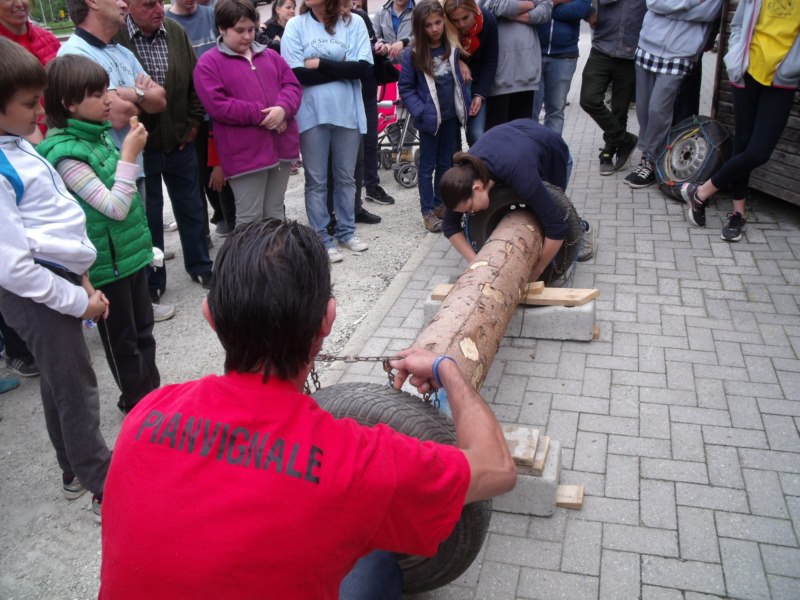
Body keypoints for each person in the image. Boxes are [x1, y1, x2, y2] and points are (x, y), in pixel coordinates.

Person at [98, 218, 517, 598]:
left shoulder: (145, 414)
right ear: (327, 320)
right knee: (377, 559)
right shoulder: (356, 463)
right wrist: (450, 370)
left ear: (210, 316)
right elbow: (497, 468)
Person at [0, 37, 112, 520]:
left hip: (62, 281)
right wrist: (76, 302)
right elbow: (16, 266)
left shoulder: (20, 146)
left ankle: (72, 468)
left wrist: (82, 282)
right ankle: (101, 483)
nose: (37, 111)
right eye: (28, 103)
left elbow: (55, 226)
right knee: (76, 387)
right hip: (39, 293)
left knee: (58, 379)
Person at [39, 54, 163, 416]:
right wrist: (129, 154)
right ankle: (140, 406)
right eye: (97, 93)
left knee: (144, 331)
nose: (108, 99)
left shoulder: (96, 135)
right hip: (107, 267)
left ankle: (151, 398)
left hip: (130, 255)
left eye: (106, 89)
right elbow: (115, 207)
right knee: (123, 342)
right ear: (69, 103)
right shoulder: (66, 154)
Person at [116, 0, 215, 297]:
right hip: (141, 144)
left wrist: (194, 123)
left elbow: (194, 83)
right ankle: (154, 280)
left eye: (160, 2)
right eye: (148, 4)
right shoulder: (118, 38)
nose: (158, 8)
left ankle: (201, 266)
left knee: (191, 206)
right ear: (130, 6)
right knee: (150, 213)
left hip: (180, 139)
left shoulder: (173, 31)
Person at [681, 0, 799, 241]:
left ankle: (700, 192)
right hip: (746, 73)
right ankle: (738, 213)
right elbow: (737, 26)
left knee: (759, 152)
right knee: (742, 144)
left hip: (782, 80)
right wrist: (734, 57)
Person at [440, 119, 595, 279]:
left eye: (469, 209)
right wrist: (476, 263)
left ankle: (584, 228)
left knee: (553, 212)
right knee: (537, 204)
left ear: (477, 188)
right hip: (514, 140)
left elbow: (557, 229)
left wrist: (538, 270)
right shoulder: (460, 181)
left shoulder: (521, 176)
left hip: (551, 152)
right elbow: (450, 226)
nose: (471, 213)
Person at [195, 0, 302, 226]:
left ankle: (274, 261)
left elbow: (292, 86)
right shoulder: (208, 63)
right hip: (244, 153)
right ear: (222, 29)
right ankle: (247, 262)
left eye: (251, 29)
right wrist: (266, 116)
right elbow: (218, 105)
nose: (247, 36)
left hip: (281, 146)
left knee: (274, 213)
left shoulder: (270, 56)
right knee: (249, 218)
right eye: (239, 30)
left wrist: (282, 109)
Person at [281, 0, 373, 263]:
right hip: (311, 115)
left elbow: (364, 69)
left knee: (346, 177)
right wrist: (343, 68)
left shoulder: (353, 22)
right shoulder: (296, 26)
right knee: (317, 180)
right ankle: (321, 236)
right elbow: (297, 74)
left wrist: (319, 62)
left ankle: (346, 231)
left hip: (348, 113)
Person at [623, 0, 722, 189]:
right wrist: (690, 4)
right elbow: (653, 3)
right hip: (647, 45)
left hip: (681, 52)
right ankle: (650, 152)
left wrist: (669, 8)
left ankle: (650, 160)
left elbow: (709, 13)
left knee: (658, 110)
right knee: (643, 108)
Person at [166, 0, 238, 237]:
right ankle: (201, 232)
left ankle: (229, 220)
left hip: (220, 109)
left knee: (223, 173)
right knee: (195, 178)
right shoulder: (168, 24)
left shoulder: (212, 15)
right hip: (191, 116)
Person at [399, 0, 469, 233]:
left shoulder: (450, 47)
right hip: (430, 122)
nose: (434, 29)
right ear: (421, 27)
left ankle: (440, 204)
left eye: (438, 23)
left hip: (450, 118)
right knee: (427, 166)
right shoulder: (414, 53)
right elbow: (406, 87)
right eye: (428, 25)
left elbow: (457, 82)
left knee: (445, 163)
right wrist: (420, 111)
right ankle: (427, 210)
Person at [578, 0, 645, 176]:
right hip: (602, 49)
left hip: (631, 54)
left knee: (620, 109)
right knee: (588, 99)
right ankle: (626, 140)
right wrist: (588, 11)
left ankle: (609, 151)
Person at [478, 0, 552, 131]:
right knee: (498, 135)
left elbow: (546, 9)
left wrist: (515, 15)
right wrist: (529, 4)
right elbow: (490, 7)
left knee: (522, 135)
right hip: (499, 75)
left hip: (526, 72)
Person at [532, 0, 591, 135]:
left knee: (556, 111)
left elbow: (579, 10)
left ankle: (552, 153)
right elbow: (530, 6)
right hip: (533, 52)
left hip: (564, 55)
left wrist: (545, 7)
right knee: (530, 112)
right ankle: (532, 153)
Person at [443, 0, 498, 146]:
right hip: (450, 88)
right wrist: (458, 61)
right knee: (451, 141)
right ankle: (455, 167)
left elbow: (491, 61)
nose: (461, 24)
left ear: (474, 10)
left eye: (465, 18)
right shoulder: (444, 26)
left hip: (477, 84)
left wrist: (479, 95)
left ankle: (477, 167)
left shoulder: (488, 20)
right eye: (455, 20)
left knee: (477, 135)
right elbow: (437, 52)